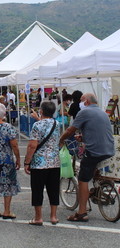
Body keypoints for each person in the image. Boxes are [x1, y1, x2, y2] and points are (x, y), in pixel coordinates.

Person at [60, 93, 115, 222]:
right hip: (109, 149)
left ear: (86, 102)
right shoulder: (102, 112)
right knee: (93, 170)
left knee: (83, 179)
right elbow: (97, 132)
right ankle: (97, 189)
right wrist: (83, 137)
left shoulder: (85, 112)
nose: (79, 103)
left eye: (81, 101)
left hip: (95, 151)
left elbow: (70, 130)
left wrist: (61, 139)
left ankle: (82, 212)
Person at [24, 101, 60, 226]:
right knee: (54, 189)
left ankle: (38, 217)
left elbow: (32, 145)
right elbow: (48, 128)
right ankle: (53, 216)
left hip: (39, 162)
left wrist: (27, 162)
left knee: (37, 190)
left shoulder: (36, 125)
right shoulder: (57, 124)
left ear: (41, 111)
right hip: (54, 161)